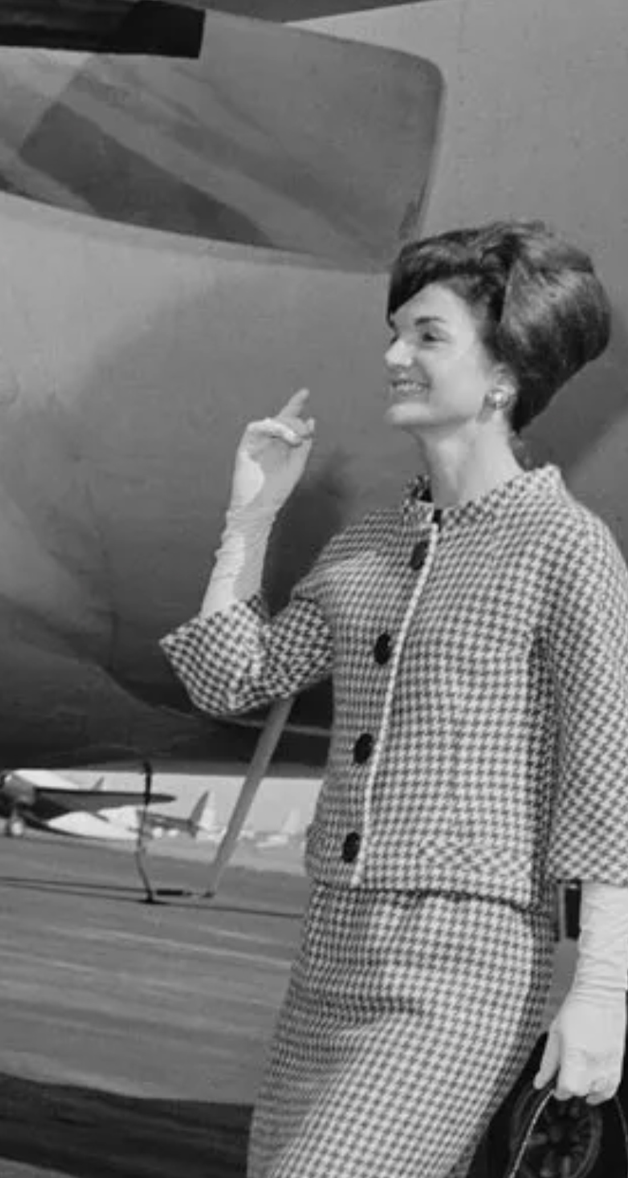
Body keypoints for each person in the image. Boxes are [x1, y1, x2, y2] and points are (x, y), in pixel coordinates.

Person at [159, 221, 628, 1178]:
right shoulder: (367, 546)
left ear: (504, 374)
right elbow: (231, 678)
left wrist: (603, 990)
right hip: (329, 950)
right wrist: (251, 516)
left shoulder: (566, 548)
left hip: (464, 960)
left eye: (427, 335)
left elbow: (605, 782)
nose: (392, 356)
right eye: (395, 333)